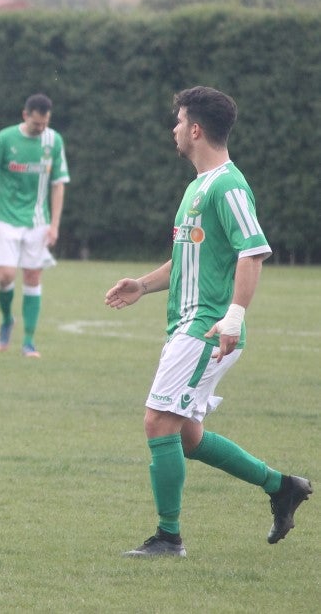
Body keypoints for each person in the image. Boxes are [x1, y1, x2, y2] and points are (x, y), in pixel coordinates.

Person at [104, 85, 310, 557]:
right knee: (188, 436)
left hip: (208, 327)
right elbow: (187, 261)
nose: (174, 129)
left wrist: (234, 318)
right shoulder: (197, 187)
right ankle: (282, 486)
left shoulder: (228, 185)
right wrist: (143, 284)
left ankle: (168, 538)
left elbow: (252, 252)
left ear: (195, 129)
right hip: (187, 324)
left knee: (158, 422)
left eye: (178, 121)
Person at [0, 93, 69, 358]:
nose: (42, 129)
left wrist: (54, 224)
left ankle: (28, 341)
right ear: (25, 115)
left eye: (45, 124)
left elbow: (58, 184)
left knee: (32, 276)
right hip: (5, 219)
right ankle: (7, 319)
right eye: (37, 124)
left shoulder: (54, 141)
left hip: (38, 222)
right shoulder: (5, 139)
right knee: (5, 275)